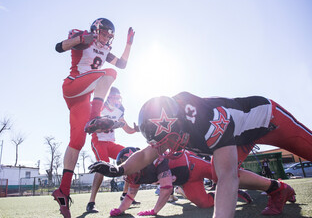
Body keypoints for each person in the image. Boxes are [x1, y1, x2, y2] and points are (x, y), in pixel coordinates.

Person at [90, 92, 312, 217]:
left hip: (269, 120)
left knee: (224, 174)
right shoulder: (175, 123)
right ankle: (278, 190)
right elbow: (149, 152)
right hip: (240, 136)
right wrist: (118, 169)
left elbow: (228, 178)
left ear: (179, 126)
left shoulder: (207, 122)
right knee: (217, 173)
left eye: (168, 142)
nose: (166, 149)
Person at [52, 18, 135, 218]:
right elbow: (58, 47)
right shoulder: (83, 36)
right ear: (96, 30)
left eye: (109, 36)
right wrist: (81, 39)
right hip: (73, 86)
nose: (106, 38)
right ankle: (96, 116)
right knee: (109, 73)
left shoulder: (104, 50)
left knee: (77, 141)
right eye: (104, 33)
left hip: (83, 100)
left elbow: (122, 63)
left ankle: (63, 191)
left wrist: (129, 44)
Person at [109, 148, 253, 217]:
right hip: (187, 182)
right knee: (204, 203)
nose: (129, 172)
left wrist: (154, 211)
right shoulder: (135, 175)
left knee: (226, 175)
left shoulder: (156, 160)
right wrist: (120, 209)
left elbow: (166, 189)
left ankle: (271, 185)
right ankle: (222, 194)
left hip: (194, 164)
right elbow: (130, 195)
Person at [86, 87, 140, 213]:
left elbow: (127, 129)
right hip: (98, 140)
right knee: (102, 165)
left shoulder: (120, 109)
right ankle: (91, 202)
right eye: (114, 97)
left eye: (118, 97)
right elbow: (90, 128)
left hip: (111, 142)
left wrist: (135, 129)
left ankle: (125, 194)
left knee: (131, 158)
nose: (116, 100)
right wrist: (107, 125)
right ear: (108, 96)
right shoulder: (99, 107)